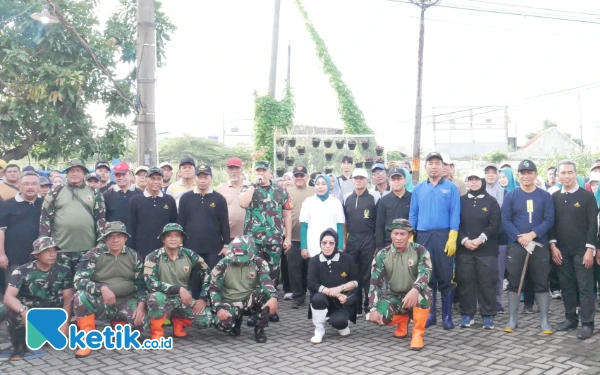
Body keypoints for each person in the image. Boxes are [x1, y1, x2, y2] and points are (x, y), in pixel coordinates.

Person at [72, 221, 146, 358]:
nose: (115, 240)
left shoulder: (134, 256)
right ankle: (87, 338)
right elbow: (78, 281)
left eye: (119, 235)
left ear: (126, 238)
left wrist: (141, 306)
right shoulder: (93, 255)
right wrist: (101, 288)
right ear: (105, 238)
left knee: (142, 322)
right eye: (111, 236)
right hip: (102, 303)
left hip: (126, 301)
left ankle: (119, 323)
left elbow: (142, 284)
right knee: (80, 297)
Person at [501, 159, 555, 334]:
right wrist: (520, 238)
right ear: (518, 175)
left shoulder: (545, 196)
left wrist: (532, 235)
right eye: (523, 173)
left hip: (539, 244)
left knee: (541, 281)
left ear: (535, 174)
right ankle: (512, 319)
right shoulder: (511, 196)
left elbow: (549, 219)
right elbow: (505, 220)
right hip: (517, 245)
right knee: (514, 281)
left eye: (529, 172)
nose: (526, 176)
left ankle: (545, 321)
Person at [409, 152, 460, 329]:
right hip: (423, 236)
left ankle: (447, 317)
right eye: (430, 163)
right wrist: (411, 237)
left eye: (438, 163)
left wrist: (453, 236)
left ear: (443, 166)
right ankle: (430, 315)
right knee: (427, 278)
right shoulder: (419, 188)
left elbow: (455, 212)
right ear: (425, 167)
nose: (434, 166)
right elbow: (413, 213)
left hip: (443, 235)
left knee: (446, 277)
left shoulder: (451, 188)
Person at [1, 237, 73, 361]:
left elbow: (68, 299)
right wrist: (24, 312)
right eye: (47, 251)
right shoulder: (22, 271)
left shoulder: (64, 270)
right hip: (30, 308)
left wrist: (65, 323)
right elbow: (8, 297)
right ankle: (19, 344)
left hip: (52, 309)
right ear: (36, 255)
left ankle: (44, 335)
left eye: (54, 251)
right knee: (6, 308)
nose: (52, 254)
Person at [239, 161, 292, 322]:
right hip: (253, 241)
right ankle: (255, 310)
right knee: (253, 274)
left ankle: (270, 308)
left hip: (273, 239)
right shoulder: (248, 188)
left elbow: (287, 214)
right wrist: (254, 185)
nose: (261, 173)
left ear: (270, 172)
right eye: (258, 170)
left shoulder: (280, 190)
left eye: (264, 170)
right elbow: (243, 203)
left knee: (272, 274)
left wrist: (288, 237)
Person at [549, 161, 597, 340]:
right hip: (561, 250)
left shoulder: (587, 197)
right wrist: (553, 246)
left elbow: (593, 225)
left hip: (582, 250)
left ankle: (587, 323)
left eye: (570, 172)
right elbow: (551, 224)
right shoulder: (554, 198)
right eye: (563, 173)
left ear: (576, 174)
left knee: (585, 288)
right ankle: (571, 319)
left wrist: (590, 249)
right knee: (566, 286)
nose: (566, 176)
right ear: (558, 176)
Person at [367, 219, 432, 351]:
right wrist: (373, 308)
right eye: (395, 233)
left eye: (403, 234)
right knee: (378, 315)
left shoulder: (420, 250)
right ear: (391, 235)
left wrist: (415, 290)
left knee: (423, 298)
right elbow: (375, 283)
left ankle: (417, 334)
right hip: (396, 295)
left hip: (417, 293)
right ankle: (402, 320)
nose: (398, 237)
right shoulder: (382, 255)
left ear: (409, 235)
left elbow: (425, 274)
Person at [145, 223, 212, 339]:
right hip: (162, 299)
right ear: (163, 239)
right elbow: (151, 283)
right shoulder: (152, 257)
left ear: (182, 239)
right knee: (155, 297)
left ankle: (179, 322)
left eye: (177, 235)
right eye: (169, 235)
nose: (173, 238)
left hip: (183, 300)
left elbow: (208, 273)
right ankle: (157, 334)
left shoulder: (189, 254)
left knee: (206, 318)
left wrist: (203, 298)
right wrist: (178, 289)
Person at [39, 159, 106, 274]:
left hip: (88, 249)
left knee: (84, 283)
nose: (74, 173)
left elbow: (101, 218)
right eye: (71, 171)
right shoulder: (55, 191)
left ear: (85, 174)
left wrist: (101, 242)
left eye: (78, 170)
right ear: (66, 174)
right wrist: (44, 244)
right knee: (61, 285)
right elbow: (45, 218)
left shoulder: (94, 192)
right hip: (60, 249)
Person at [210, 235, 279, 343]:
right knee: (222, 324)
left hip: (250, 299)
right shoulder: (223, 264)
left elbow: (266, 280)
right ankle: (236, 320)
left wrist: (273, 296)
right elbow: (214, 289)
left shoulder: (259, 262)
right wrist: (219, 308)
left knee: (267, 297)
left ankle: (259, 328)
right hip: (231, 301)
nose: (239, 261)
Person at [456, 170, 501, 329]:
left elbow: (495, 224)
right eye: (470, 179)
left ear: (482, 181)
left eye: (476, 179)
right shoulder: (460, 201)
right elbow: (456, 223)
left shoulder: (491, 201)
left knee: (486, 282)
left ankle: (488, 315)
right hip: (464, 250)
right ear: (467, 182)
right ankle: (467, 315)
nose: (474, 182)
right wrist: (465, 240)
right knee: (466, 282)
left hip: (486, 251)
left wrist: (480, 239)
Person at [178, 164, 230, 296]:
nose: (202, 180)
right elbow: (181, 221)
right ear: (195, 178)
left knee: (213, 277)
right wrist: (180, 243)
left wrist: (227, 245)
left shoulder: (219, 199)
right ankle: (194, 305)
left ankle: (212, 305)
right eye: (199, 177)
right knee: (193, 278)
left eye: (205, 177)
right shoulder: (186, 198)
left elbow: (224, 223)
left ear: (211, 178)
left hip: (214, 248)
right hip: (191, 247)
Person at [307, 228, 359, 344]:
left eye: (331, 243)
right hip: (323, 298)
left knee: (340, 323)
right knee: (317, 298)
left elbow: (355, 282)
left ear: (336, 244)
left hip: (341, 301)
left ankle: (339, 322)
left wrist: (340, 289)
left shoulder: (347, 259)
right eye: (324, 243)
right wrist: (330, 291)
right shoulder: (314, 261)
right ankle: (319, 329)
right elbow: (311, 283)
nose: (327, 246)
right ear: (320, 244)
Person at [343, 168, 378, 316]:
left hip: (368, 238)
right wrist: (345, 240)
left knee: (367, 274)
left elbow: (378, 222)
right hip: (353, 239)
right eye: (355, 178)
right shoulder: (346, 198)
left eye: (361, 178)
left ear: (367, 180)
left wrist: (376, 244)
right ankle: (355, 306)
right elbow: (344, 222)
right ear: (352, 180)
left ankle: (368, 304)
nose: (358, 181)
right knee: (353, 273)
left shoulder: (374, 197)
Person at [0, 171, 44, 285]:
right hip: (14, 258)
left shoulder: (45, 204)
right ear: (19, 186)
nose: (30, 187)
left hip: (39, 257)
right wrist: (1, 254)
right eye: (26, 184)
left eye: (34, 184)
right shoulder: (7, 204)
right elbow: (1, 230)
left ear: (39, 186)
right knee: (12, 290)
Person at [129, 167, 178, 259]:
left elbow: (173, 225)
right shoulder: (135, 200)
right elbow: (131, 226)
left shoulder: (169, 200)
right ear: (146, 179)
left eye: (159, 178)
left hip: (164, 249)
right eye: (152, 178)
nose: (156, 182)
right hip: (141, 249)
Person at [286, 166, 315, 308]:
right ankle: (298, 296)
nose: (299, 178)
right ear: (293, 178)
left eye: (301, 175)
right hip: (293, 238)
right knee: (294, 269)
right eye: (296, 175)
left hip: (311, 239)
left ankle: (312, 295)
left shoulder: (314, 191)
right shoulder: (287, 192)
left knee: (310, 269)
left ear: (307, 177)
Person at [300, 174, 345, 260]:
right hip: (312, 248)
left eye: (323, 184)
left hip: (331, 248)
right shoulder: (308, 202)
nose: (320, 187)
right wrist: (303, 247)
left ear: (328, 185)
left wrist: (339, 247)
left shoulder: (336, 203)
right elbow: (303, 226)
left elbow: (340, 227)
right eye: (317, 184)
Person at [484, 164, 509, 313]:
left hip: (500, 239)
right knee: (484, 273)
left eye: (494, 172)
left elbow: (506, 217)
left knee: (499, 273)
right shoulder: (479, 193)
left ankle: (498, 301)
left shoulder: (505, 193)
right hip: (483, 239)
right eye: (488, 172)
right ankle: (484, 301)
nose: (491, 175)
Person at [376, 167, 412, 250]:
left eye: (399, 179)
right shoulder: (384, 200)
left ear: (405, 180)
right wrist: (380, 247)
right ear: (389, 181)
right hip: (389, 244)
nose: (396, 182)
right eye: (393, 179)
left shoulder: (412, 198)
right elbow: (379, 225)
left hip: (409, 244)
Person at [102, 162, 143, 226]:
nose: (121, 178)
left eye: (124, 174)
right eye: (117, 175)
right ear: (113, 176)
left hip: (136, 234)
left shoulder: (141, 194)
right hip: (115, 235)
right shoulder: (106, 195)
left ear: (130, 175)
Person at [217, 158, 247, 241]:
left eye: (236, 168)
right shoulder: (221, 189)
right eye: (231, 168)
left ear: (241, 170)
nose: (234, 171)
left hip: (247, 233)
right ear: (227, 171)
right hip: (228, 235)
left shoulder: (250, 187)